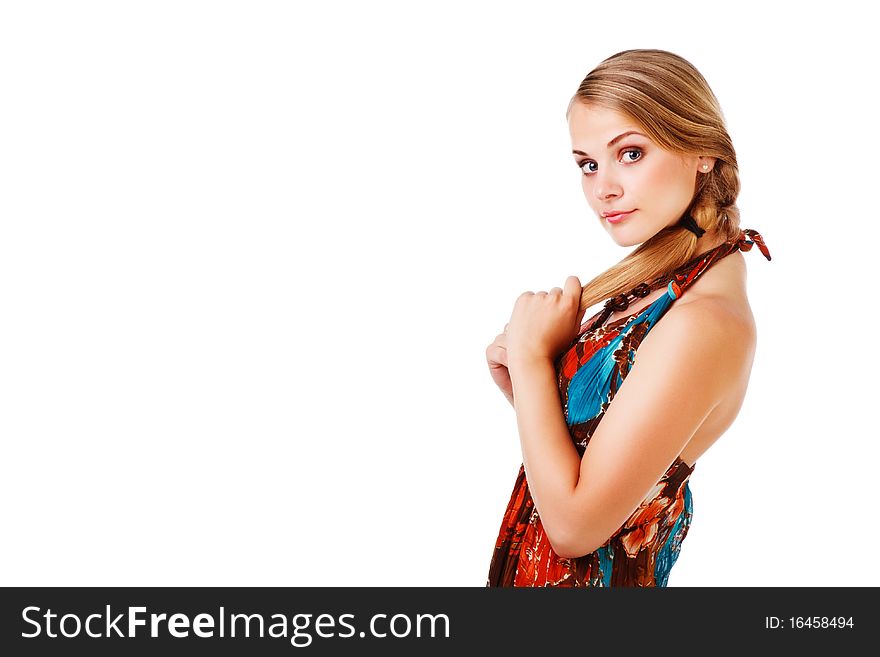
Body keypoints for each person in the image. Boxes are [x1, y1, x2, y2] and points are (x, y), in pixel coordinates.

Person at [484, 49, 772, 587]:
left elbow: (573, 528)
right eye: (588, 163)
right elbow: (598, 459)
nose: (603, 187)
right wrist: (532, 381)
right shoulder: (658, 289)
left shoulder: (702, 322)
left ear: (703, 151)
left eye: (631, 153)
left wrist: (528, 359)